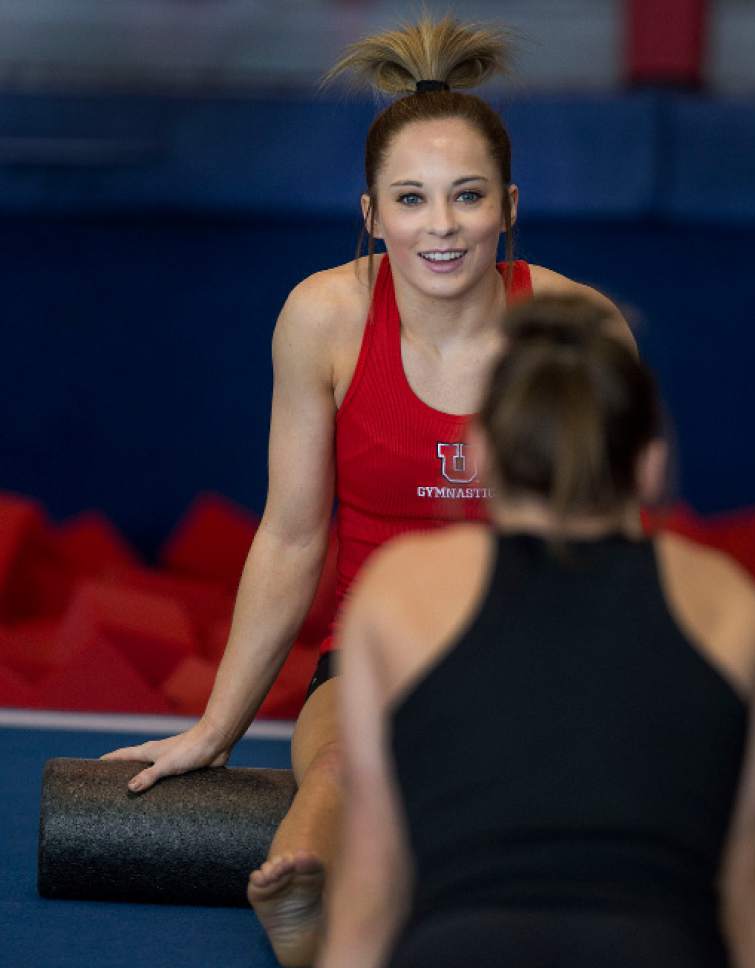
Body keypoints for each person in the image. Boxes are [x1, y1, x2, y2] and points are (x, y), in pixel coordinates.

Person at [101, 15, 635, 967]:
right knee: (346, 761)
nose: (440, 225)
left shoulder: (574, 325)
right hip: (371, 651)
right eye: (412, 199)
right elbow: (293, 535)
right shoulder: (325, 318)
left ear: (508, 207)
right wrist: (217, 727)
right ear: (370, 213)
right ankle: (305, 882)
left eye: (466, 197)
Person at [319, 293, 755, 968]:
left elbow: (370, 893)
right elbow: (740, 906)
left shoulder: (396, 593)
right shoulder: (732, 607)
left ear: (477, 454)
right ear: (649, 461)